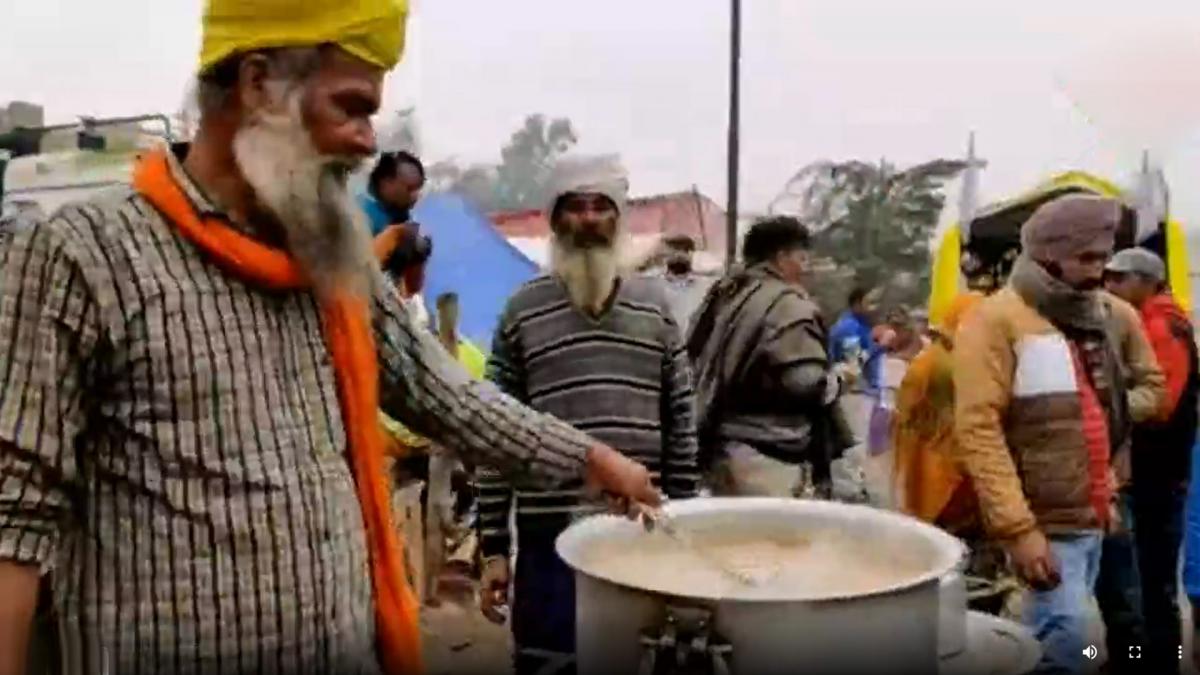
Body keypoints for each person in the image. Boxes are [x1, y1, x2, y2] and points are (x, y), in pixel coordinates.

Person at [0, 5, 659, 675]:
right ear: (259, 84)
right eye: (351, 107)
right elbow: (13, 515)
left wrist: (592, 459)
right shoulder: (84, 253)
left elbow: (449, 395)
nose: (367, 140)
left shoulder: (332, 255)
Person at [474, 155, 700, 675]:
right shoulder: (522, 311)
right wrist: (492, 548)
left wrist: (685, 521)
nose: (590, 218)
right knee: (550, 664)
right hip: (548, 538)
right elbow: (490, 434)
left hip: (641, 530)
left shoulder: (657, 308)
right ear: (555, 221)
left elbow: (681, 422)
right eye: (575, 206)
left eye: (602, 206)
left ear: (619, 218)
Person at [954, 195, 1165, 675]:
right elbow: (979, 431)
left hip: (1098, 511)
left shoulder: (1109, 314)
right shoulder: (995, 321)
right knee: (1063, 643)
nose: (1098, 271)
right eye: (1085, 259)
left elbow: (1149, 388)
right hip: (1042, 523)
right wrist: (1019, 531)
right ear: (1046, 257)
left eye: (1103, 257)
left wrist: (1102, 424)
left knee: (1079, 635)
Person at [687, 216, 852, 498]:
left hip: (716, 447)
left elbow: (690, 351)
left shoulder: (725, 293)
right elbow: (805, 384)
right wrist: (840, 379)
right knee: (772, 539)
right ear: (781, 257)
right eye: (802, 258)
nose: (805, 268)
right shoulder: (787, 305)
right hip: (767, 458)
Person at [1102, 247, 1198, 674]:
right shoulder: (1153, 321)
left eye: (1119, 279)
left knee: (1151, 578)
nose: (1111, 286)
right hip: (1157, 470)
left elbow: (1160, 405)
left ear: (1145, 281)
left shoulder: (1161, 326)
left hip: (1158, 472)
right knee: (1145, 576)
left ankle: (1158, 663)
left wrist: (1103, 403)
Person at [829, 286, 886, 394]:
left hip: (867, 391)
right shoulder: (848, 328)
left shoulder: (862, 325)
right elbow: (852, 367)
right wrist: (879, 346)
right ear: (856, 305)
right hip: (853, 396)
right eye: (868, 303)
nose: (873, 308)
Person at [361, 150, 425, 236]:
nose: (416, 196)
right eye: (410, 189)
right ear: (386, 183)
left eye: (418, 188)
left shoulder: (397, 209)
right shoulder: (363, 215)